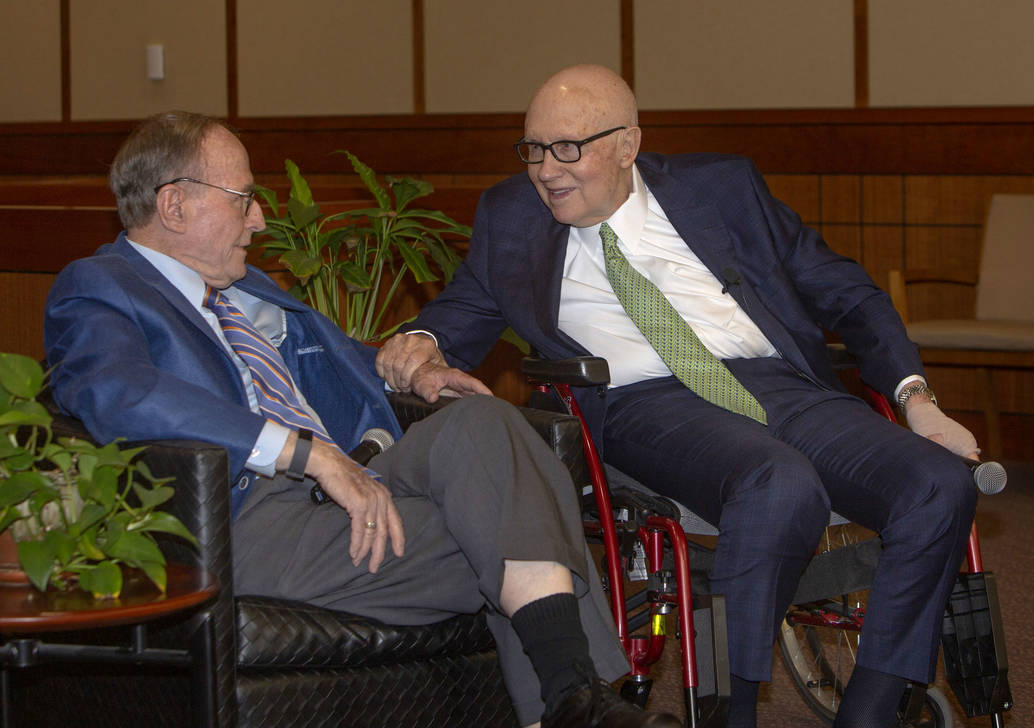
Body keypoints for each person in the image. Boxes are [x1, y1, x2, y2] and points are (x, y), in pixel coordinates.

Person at [376, 65, 980, 728]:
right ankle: (731, 713)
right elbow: (460, 312)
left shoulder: (722, 188)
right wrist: (422, 341)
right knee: (779, 484)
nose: (547, 170)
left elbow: (848, 291)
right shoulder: (511, 217)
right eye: (534, 149)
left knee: (940, 483)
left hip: (775, 383)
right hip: (644, 403)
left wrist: (915, 397)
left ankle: (868, 712)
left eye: (568, 148)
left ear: (628, 144)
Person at [43, 110, 685, 728]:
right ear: (175, 205)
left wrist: (413, 370)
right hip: (242, 515)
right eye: (243, 200)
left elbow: (347, 359)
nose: (260, 220)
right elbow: (117, 393)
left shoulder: (245, 291)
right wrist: (304, 453)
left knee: (487, 423)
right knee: (519, 517)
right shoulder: (99, 286)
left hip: (356, 485)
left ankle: (573, 704)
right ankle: (576, 700)